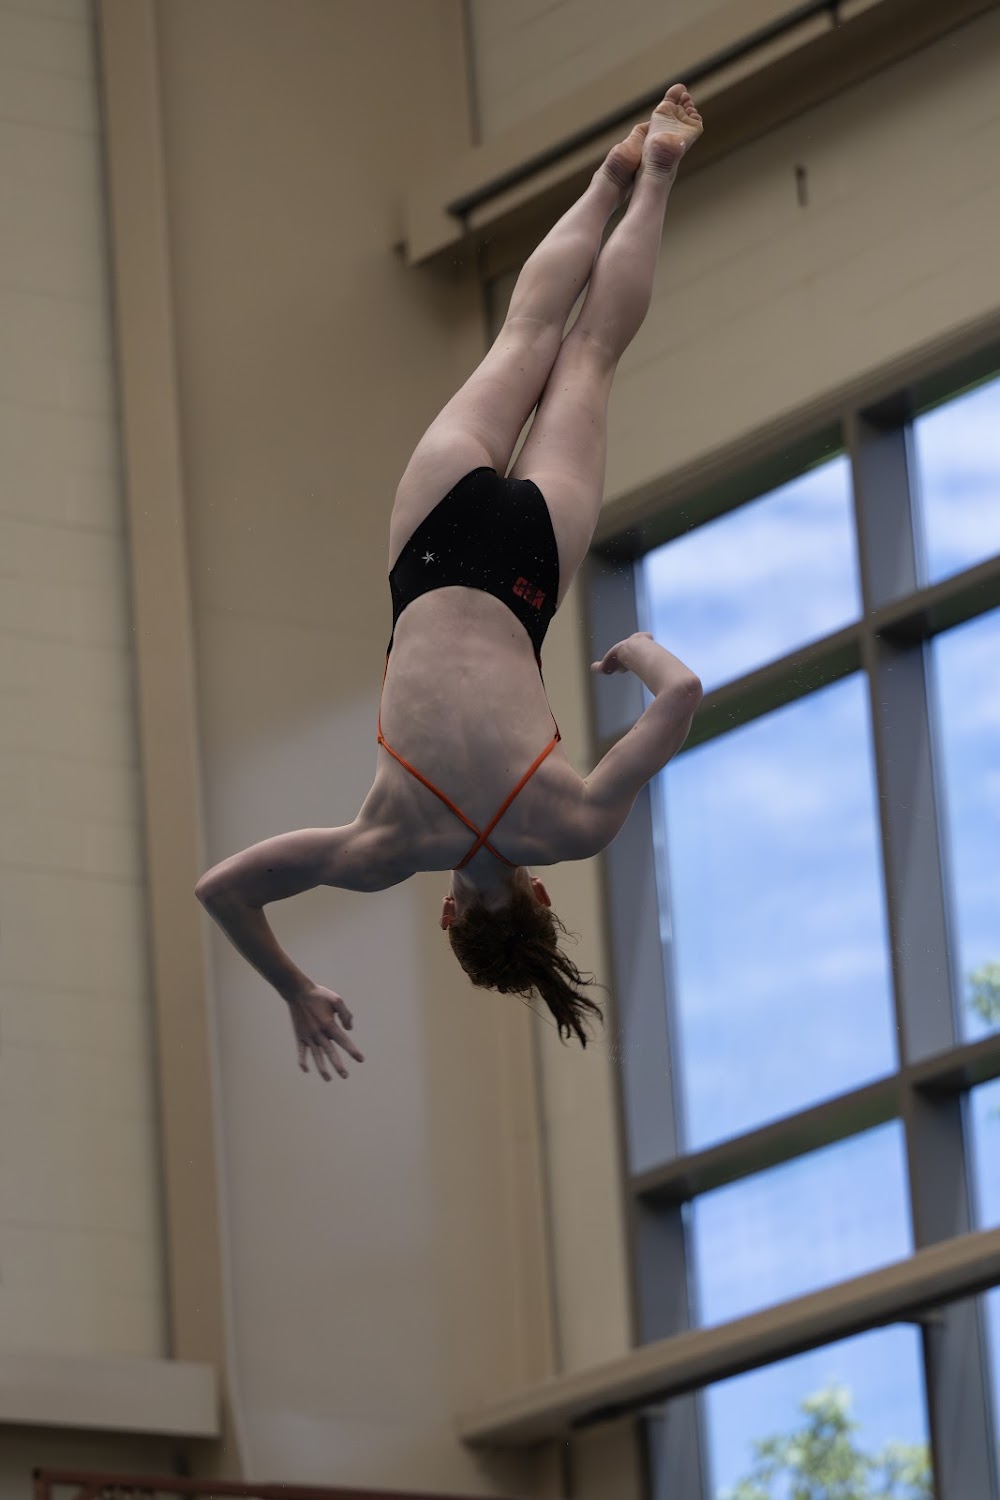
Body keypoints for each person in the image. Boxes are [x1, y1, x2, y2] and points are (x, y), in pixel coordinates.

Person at [196, 85, 705, 1081]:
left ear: (539, 899)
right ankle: (607, 177)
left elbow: (682, 693)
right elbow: (221, 890)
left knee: (586, 354)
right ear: (446, 914)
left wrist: (638, 650)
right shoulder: (385, 846)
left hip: (526, 567)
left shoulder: (572, 826)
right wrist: (293, 986)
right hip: (431, 544)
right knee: (529, 335)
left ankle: (646, 177)